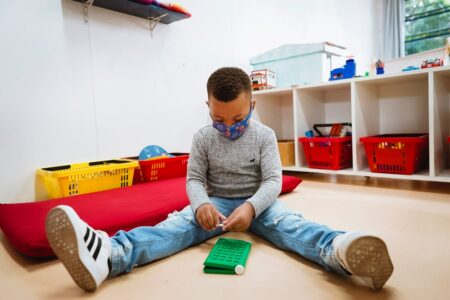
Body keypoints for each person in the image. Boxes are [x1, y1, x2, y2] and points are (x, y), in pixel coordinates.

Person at [45, 67, 394, 293]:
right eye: (218, 118)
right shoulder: (201, 138)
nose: (228, 127)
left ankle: (338, 250)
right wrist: (201, 205)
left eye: (238, 118)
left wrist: (252, 207)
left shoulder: (264, 135)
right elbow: (194, 179)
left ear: (253, 105)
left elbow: (273, 180)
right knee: (173, 229)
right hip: (216, 206)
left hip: (261, 203)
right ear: (207, 107)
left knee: (292, 226)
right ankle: (109, 256)